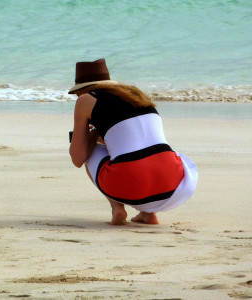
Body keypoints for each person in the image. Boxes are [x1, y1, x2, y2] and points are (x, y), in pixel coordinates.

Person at [68, 58, 198, 225]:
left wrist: (93, 134)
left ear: (82, 90)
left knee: (92, 152)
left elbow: (77, 158)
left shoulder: (85, 100)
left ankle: (117, 209)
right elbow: (129, 140)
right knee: (148, 151)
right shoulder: (135, 95)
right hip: (175, 185)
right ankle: (148, 213)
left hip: (131, 186)